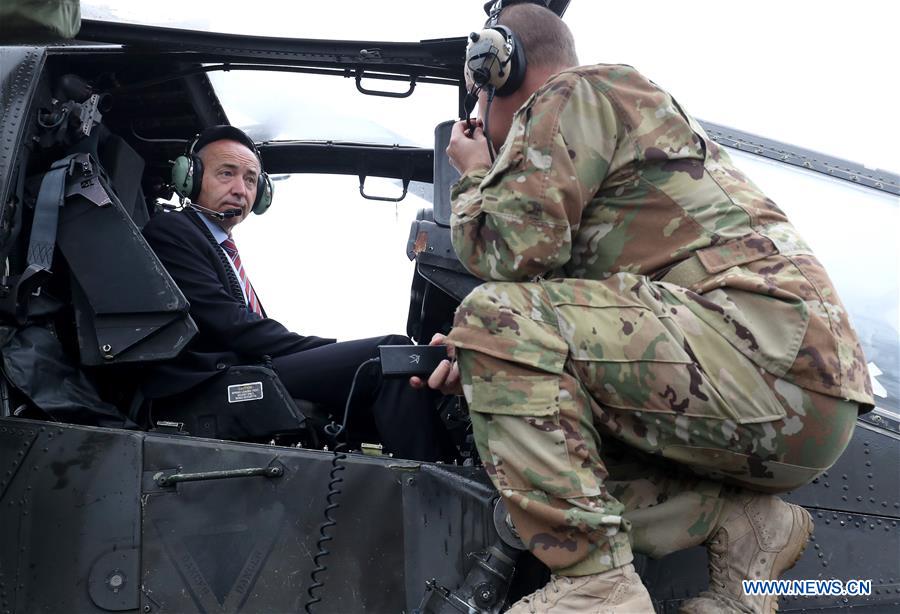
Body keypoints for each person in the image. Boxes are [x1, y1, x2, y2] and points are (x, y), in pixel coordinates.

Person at [415, 3, 874, 612]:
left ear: (500, 67)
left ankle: (596, 585)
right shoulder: (616, 125)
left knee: (495, 314)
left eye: (480, 107)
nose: (483, 129)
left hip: (764, 360)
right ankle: (741, 523)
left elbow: (506, 250)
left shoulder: (573, 91)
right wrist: (479, 358)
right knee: (518, 375)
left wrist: (473, 175)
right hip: (792, 389)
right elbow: (563, 308)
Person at [142, 125, 448, 461]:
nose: (240, 189)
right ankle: (439, 483)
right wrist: (330, 351)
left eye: (249, 179)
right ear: (191, 177)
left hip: (243, 368)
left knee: (388, 366)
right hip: (209, 382)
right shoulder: (174, 230)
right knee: (390, 352)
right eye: (226, 174)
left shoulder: (217, 247)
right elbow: (231, 325)